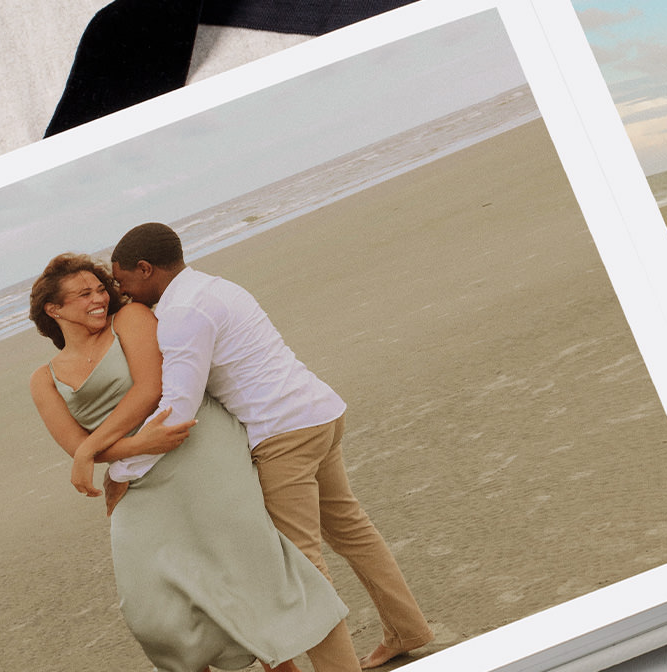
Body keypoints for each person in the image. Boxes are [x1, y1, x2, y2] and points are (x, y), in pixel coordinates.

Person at [109, 223, 433, 671]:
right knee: (352, 531)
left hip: (283, 436)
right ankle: (408, 628)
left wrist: (123, 465)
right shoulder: (217, 286)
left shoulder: (182, 313)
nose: (121, 293)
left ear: (145, 269)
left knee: (302, 567)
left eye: (122, 281)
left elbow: (178, 408)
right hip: (319, 411)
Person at [27, 254, 348, 672]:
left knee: (244, 569)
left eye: (100, 288)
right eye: (83, 294)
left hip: (201, 452)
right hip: (138, 478)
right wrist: (131, 445)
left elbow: (149, 389)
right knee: (151, 606)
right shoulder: (43, 379)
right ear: (54, 309)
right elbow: (77, 445)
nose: (99, 298)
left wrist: (94, 451)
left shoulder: (132, 319)